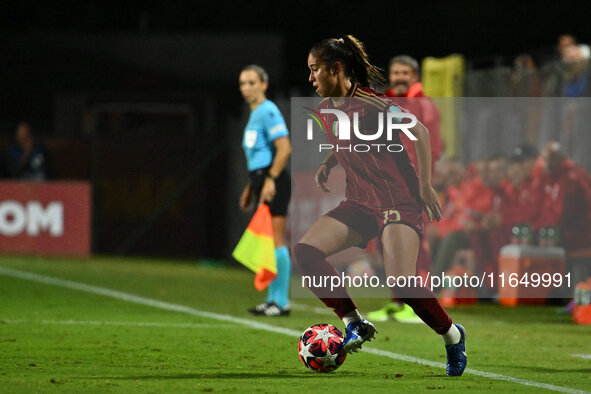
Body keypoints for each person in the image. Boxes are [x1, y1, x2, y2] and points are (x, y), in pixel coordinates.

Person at [294, 35, 466, 376]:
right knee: (306, 252)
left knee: (402, 282)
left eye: (315, 70)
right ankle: (353, 322)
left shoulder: (373, 103)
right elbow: (350, 140)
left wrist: (426, 185)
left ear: (336, 68)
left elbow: (420, 132)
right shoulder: (328, 108)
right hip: (359, 202)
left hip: (397, 201)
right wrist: (330, 161)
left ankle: (452, 335)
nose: (311, 78)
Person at [368, 55, 443, 323]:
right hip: (386, 185)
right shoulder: (387, 103)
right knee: (389, 242)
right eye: (395, 72)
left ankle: (420, 303)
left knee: (416, 243)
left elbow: (432, 147)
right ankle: (399, 301)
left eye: (405, 73)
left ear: (415, 76)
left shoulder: (423, 105)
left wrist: (424, 183)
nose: (399, 77)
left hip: (411, 185)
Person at [238, 65, 292, 317]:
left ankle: (281, 302)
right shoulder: (255, 113)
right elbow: (258, 155)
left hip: (274, 180)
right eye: (242, 83)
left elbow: (284, 148)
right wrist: (251, 187)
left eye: (251, 82)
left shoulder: (268, 110)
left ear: (264, 84)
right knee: (268, 243)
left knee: (276, 239)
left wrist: (270, 179)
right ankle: (272, 299)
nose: (246, 88)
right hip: (261, 179)